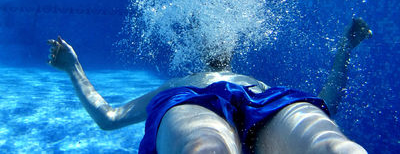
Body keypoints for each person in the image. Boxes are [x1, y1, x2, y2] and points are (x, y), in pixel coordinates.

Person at [47, 18, 372, 154]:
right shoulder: (180, 84)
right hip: (210, 101)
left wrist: (345, 48)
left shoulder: (253, 82)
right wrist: (73, 67)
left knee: (336, 148)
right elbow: (111, 118)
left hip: (254, 100)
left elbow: (325, 103)